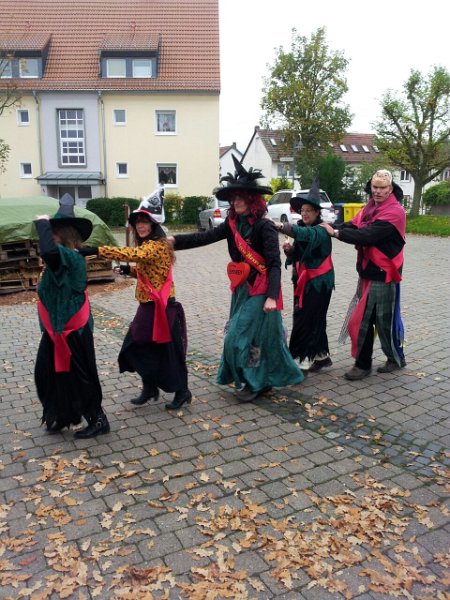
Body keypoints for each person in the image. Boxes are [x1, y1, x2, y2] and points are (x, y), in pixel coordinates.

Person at [169, 156, 304, 402]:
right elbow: (205, 237)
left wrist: (272, 297)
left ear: (253, 199)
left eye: (242, 197)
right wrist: (175, 241)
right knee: (254, 340)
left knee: (236, 337)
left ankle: (255, 380)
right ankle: (258, 381)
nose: (237, 201)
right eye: (234, 197)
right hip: (241, 289)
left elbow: (274, 264)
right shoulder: (232, 224)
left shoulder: (264, 226)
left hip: (261, 290)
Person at [81, 187, 191, 411]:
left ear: (153, 224)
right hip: (149, 306)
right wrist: (128, 271)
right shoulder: (150, 245)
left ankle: (182, 391)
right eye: (138, 222)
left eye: (145, 222)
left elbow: (134, 255)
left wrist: (96, 250)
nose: (140, 226)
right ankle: (150, 387)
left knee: (165, 350)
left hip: (161, 306)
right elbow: (147, 270)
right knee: (139, 346)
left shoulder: (156, 245)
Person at [34, 194, 109, 438]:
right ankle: (61, 415)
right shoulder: (64, 257)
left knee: (81, 376)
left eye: (53, 232)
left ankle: (98, 419)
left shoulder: (68, 257)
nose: (50, 236)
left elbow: (48, 251)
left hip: (72, 330)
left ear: (63, 234)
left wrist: (42, 223)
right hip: (57, 328)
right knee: (49, 372)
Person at [320, 169, 406, 380]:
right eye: (375, 187)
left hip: (384, 273)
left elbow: (367, 235)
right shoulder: (370, 207)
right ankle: (395, 359)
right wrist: (329, 227)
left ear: (390, 189)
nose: (377, 191)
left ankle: (363, 365)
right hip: (369, 272)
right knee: (380, 320)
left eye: (382, 188)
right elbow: (353, 224)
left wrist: (336, 233)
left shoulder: (394, 212)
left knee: (365, 321)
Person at [276, 177, 334, 372]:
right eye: (302, 210)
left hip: (319, 282)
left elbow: (307, 236)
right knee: (312, 317)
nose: (304, 213)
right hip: (302, 280)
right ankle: (321, 356)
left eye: (309, 210)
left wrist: (281, 226)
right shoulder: (303, 227)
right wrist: (290, 251)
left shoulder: (321, 230)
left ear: (317, 212)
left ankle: (302, 360)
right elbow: (300, 252)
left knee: (307, 319)